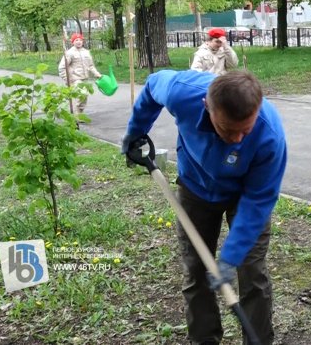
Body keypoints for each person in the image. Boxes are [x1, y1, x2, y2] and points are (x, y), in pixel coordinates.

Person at [121, 70, 287, 345]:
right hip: (195, 187)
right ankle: (203, 339)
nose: (237, 139)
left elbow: (258, 201)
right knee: (197, 270)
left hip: (244, 196)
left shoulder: (270, 136)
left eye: (245, 130)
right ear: (206, 106)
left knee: (252, 271)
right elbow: (151, 88)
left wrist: (230, 256)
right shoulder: (181, 91)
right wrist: (136, 132)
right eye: (228, 130)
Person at [58, 32, 102, 114]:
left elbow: (91, 65)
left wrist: (97, 74)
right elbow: (62, 67)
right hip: (75, 79)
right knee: (80, 95)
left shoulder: (86, 52)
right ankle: (76, 116)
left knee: (84, 97)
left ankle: (80, 114)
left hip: (85, 78)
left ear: (82, 41)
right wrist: (67, 80)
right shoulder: (69, 53)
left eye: (80, 40)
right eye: (76, 40)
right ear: (73, 42)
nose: (78, 42)